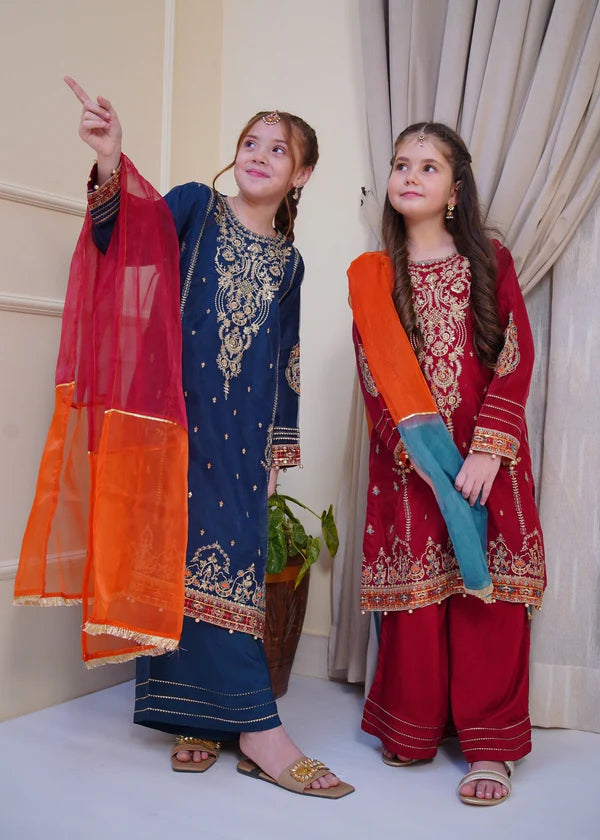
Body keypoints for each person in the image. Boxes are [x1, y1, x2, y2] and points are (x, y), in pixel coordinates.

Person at [17, 75, 353, 799]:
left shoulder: (290, 263)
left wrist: (279, 449)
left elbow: (286, 361)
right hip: (172, 422)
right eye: (251, 142)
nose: (259, 155)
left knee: (230, 565)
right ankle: (199, 719)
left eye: (279, 149)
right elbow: (126, 243)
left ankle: (244, 725)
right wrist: (111, 160)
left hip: (242, 440)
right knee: (170, 562)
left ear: (302, 174)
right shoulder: (197, 207)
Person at [349, 122, 545, 805]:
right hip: (413, 466)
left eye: (428, 167)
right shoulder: (375, 277)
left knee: (487, 596)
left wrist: (489, 449)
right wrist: (423, 461)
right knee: (419, 594)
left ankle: (490, 746)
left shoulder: (491, 260)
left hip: (488, 462)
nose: (410, 175)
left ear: (455, 190)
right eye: (401, 164)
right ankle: (413, 725)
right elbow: (374, 377)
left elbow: (515, 353)